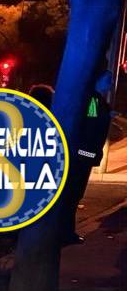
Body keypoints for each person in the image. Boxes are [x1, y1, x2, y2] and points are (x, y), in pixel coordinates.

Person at [61, 70, 113, 245]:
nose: (110, 84)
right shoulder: (93, 100)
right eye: (107, 80)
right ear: (97, 81)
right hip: (82, 157)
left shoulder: (96, 100)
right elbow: (90, 124)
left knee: (73, 196)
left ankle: (67, 232)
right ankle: (66, 233)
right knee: (72, 195)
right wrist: (89, 155)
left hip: (83, 156)